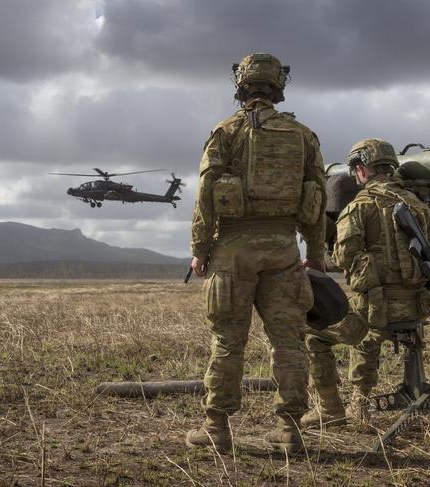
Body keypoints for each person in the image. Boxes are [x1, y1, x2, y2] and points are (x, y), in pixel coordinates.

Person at [186, 53, 327, 453]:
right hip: (284, 249)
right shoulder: (303, 135)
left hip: (232, 251)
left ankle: (216, 428)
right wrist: (315, 252)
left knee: (228, 341)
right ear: (277, 87)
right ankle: (290, 430)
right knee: (289, 341)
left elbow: (205, 196)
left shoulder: (225, 131)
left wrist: (199, 249)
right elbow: (316, 198)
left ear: (242, 86)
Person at [302, 138, 430, 428]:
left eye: (355, 170)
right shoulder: (419, 207)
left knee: (315, 336)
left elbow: (343, 256)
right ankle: (362, 400)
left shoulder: (359, 207)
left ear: (362, 169)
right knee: (368, 328)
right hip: (415, 309)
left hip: (377, 310)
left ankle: (338, 408)